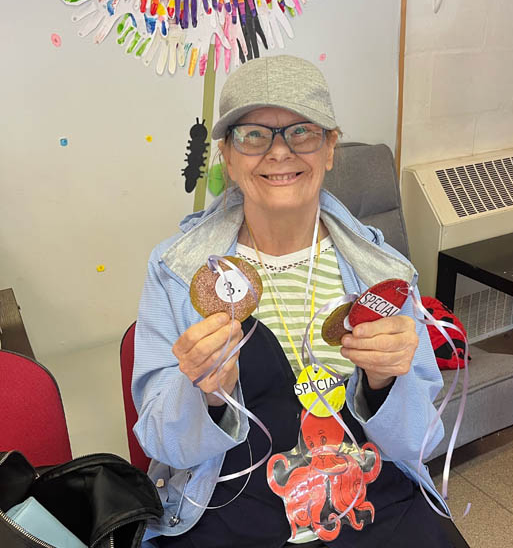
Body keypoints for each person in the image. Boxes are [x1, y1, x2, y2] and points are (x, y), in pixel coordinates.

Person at [132, 55, 470, 548]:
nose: (278, 152)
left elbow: (421, 441)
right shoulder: (176, 271)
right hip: (230, 504)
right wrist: (203, 396)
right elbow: (162, 443)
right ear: (226, 154)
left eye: (302, 132)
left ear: (331, 147)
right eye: (253, 135)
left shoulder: (384, 274)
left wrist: (384, 384)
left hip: (369, 497)